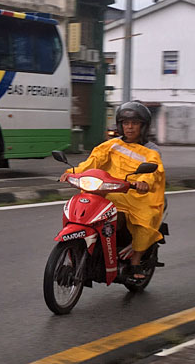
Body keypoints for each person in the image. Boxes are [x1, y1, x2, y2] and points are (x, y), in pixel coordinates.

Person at [59, 101, 165, 279]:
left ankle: (135, 262)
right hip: (106, 191)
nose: (130, 127)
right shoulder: (111, 145)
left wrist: (143, 182)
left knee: (144, 222)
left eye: (135, 123)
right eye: (126, 123)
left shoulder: (151, 151)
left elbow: (154, 171)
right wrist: (72, 173)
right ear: (120, 125)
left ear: (143, 126)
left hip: (137, 196)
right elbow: (91, 163)